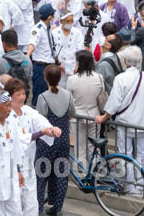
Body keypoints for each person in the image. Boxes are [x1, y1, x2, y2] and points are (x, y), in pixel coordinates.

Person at [96, 47, 144, 195]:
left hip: (125, 122)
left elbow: (114, 102)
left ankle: (129, 186)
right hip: (142, 122)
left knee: (125, 153)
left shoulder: (120, 78)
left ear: (125, 61)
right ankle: (141, 185)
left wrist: (103, 117)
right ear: (140, 60)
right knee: (141, 153)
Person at [6, 78, 61, 216]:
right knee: (15, 205)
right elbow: (19, 139)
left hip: (29, 164)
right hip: (12, 165)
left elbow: (40, 121)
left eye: (24, 93)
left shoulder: (27, 110)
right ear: (9, 96)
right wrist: (41, 133)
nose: (22, 97)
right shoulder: (6, 116)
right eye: (18, 94)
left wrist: (51, 129)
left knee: (31, 204)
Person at [37, 64, 75, 214]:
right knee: (61, 174)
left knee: (41, 175)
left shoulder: (43, 97)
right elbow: (72, 112)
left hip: (47, 142)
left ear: (45, 78)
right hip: (64, 140)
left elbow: (40, 120)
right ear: (60, 77)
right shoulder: (68, 95)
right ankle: (57, 208)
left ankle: (39, 208)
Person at [66, 49, 105, 168]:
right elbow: (102, 94)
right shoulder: (99, 77)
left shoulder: (72, 79)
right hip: (95, 115)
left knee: (79, 147)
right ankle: (93, 172)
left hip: (77, 116)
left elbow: (69, 99)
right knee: (93, 147)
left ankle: (81, 173)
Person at [26, 3, 60, 104]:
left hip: (50, 65)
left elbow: (50, 47)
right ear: (50, 17)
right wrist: (27, 56)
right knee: (39, 97)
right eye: (53, 14)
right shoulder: (38, 29)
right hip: (41, 67)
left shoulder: (48, 28)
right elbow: (32, 44)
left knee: (50, 97)